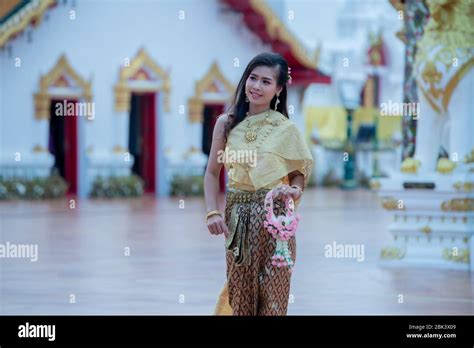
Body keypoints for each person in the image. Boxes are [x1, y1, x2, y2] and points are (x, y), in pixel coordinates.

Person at [204, 52, 313, 315]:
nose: (256, 86)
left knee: (274, 300)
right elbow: (211, 173)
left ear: (278, 89)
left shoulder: (286, 129)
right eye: (253, 78)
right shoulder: (227, 124)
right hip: (238, 219)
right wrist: (212, 212)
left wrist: (295, 190)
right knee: (242, 299)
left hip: (276, 222)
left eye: (266, 81)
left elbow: (298, 172)